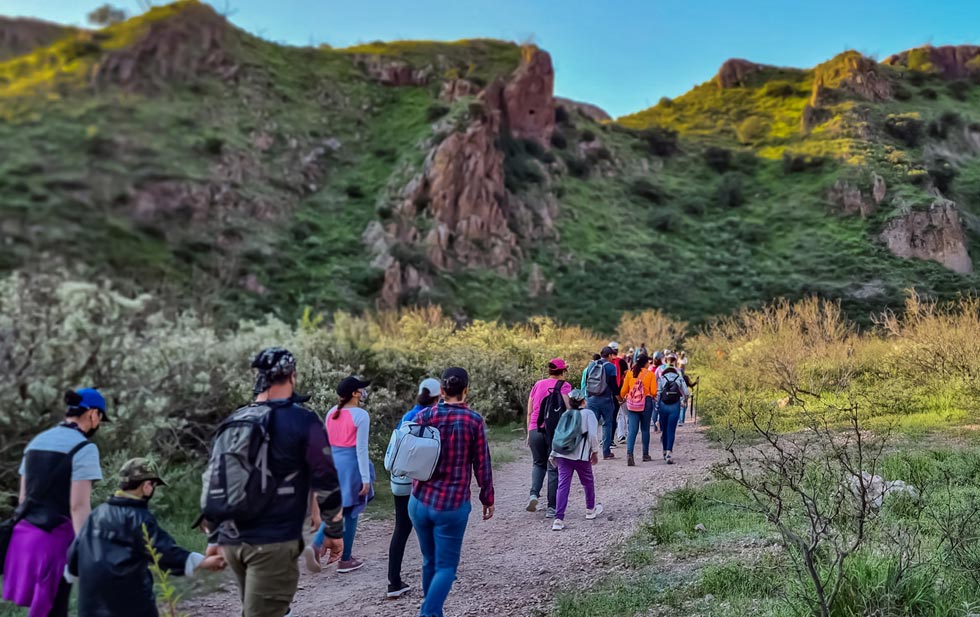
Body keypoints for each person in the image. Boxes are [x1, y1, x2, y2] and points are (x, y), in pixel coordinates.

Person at [214, 347, 340, 617]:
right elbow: (326, 479)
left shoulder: (234, 420)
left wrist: (215, 535)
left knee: (263, 610)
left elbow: (218, 480)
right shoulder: (302, 420)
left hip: (232, 540)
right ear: (292, 376)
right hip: (272, 541)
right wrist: (334, 529)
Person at [66, 458, 225, 616]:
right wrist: (203, 562)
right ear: (147, 486)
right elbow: (164, 550)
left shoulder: (97, 513)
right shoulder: (139, 518)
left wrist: (73, 572)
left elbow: (76, 551)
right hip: (129, 604)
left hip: (91, 605)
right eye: (154, 485)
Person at [3, 388, 107, 617]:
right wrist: (86, 549)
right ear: (92, 414)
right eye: (100, 417)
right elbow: (78, 506)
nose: (98, 423)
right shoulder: (84, 447)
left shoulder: (36, 442)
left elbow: (23, 498)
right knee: (55, 609)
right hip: (54, 542)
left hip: (24, 539)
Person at [409, 367, 494, 617]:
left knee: (429, 561)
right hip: (451, 505)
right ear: (466, 390)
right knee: (446, 566)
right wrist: (487, 497)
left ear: (442, 391)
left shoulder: (424, 416)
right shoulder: (474, 421)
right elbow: (482, 463)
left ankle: (433, 612)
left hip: (419, 501)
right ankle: (428, 612)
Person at [386, 377, 441, 599]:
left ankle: (393, 581)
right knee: (431, 525)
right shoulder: (431, 418)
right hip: (419, 484)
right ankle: (438, 572)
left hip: (398, 482)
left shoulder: (408, 416)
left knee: (401, 528)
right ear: (438, 397)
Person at [322, 375, 376, 574]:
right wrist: (365, 478)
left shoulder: (331, 413)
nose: (363, 392)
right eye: (361, 389)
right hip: (351, 466)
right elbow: (361, 449)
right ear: (354, 393)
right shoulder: (361, 415)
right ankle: (345, 558)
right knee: (351, 512)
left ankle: (318, 548)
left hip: (333, 464)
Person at [550, 389, 602, 531]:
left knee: (563, 485)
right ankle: (590, 510)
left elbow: (558, 435)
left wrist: (553, 454)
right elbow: (592, 435)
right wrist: (595, 451)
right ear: (583, 401)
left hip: (562, 455)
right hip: (580, 455)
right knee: (587, 482)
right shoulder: (588, 414)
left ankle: (558, 519)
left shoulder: (565, 414)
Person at [525, 359, 572, 518]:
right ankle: (552, 508)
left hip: (534, 429)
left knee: (538, 463)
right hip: (555, 432)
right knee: (554, 468)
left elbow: (530, 411)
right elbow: (569, 410)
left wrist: (528, 432)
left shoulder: (537, 384)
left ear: (549, 370)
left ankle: (533, 495)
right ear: (563, 371)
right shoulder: (565, 386)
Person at [619, 354, 658, 466]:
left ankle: (629, 454)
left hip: (632, 404)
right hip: (646, 403)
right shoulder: (650, 374)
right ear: (646, 363)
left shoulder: (630, 374)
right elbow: (654, 391)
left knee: (632, 430)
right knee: (645, 429)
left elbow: (623, 391)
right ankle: (645, 455)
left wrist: (624, 397)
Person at [585, 346, 620, 460]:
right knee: (607, 424)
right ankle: (606, 452)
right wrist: (619, 398)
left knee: (591, 425)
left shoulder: (591, 365)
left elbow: (587, 381)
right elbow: (614, 385)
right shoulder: (611, 367)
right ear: (609, 355)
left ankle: (588, 452)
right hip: (605, 400)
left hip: (591, 399)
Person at [656, 356, 691, 465]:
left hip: (663, 405)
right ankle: (669, 453)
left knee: (664, 429)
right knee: (671, 429)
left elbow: (658, 393)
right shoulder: (679, 378)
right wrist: (684, 400)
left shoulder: (662, 378)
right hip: (675, 406)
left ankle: (664, 450)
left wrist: (657, 406)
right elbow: (686, 392)